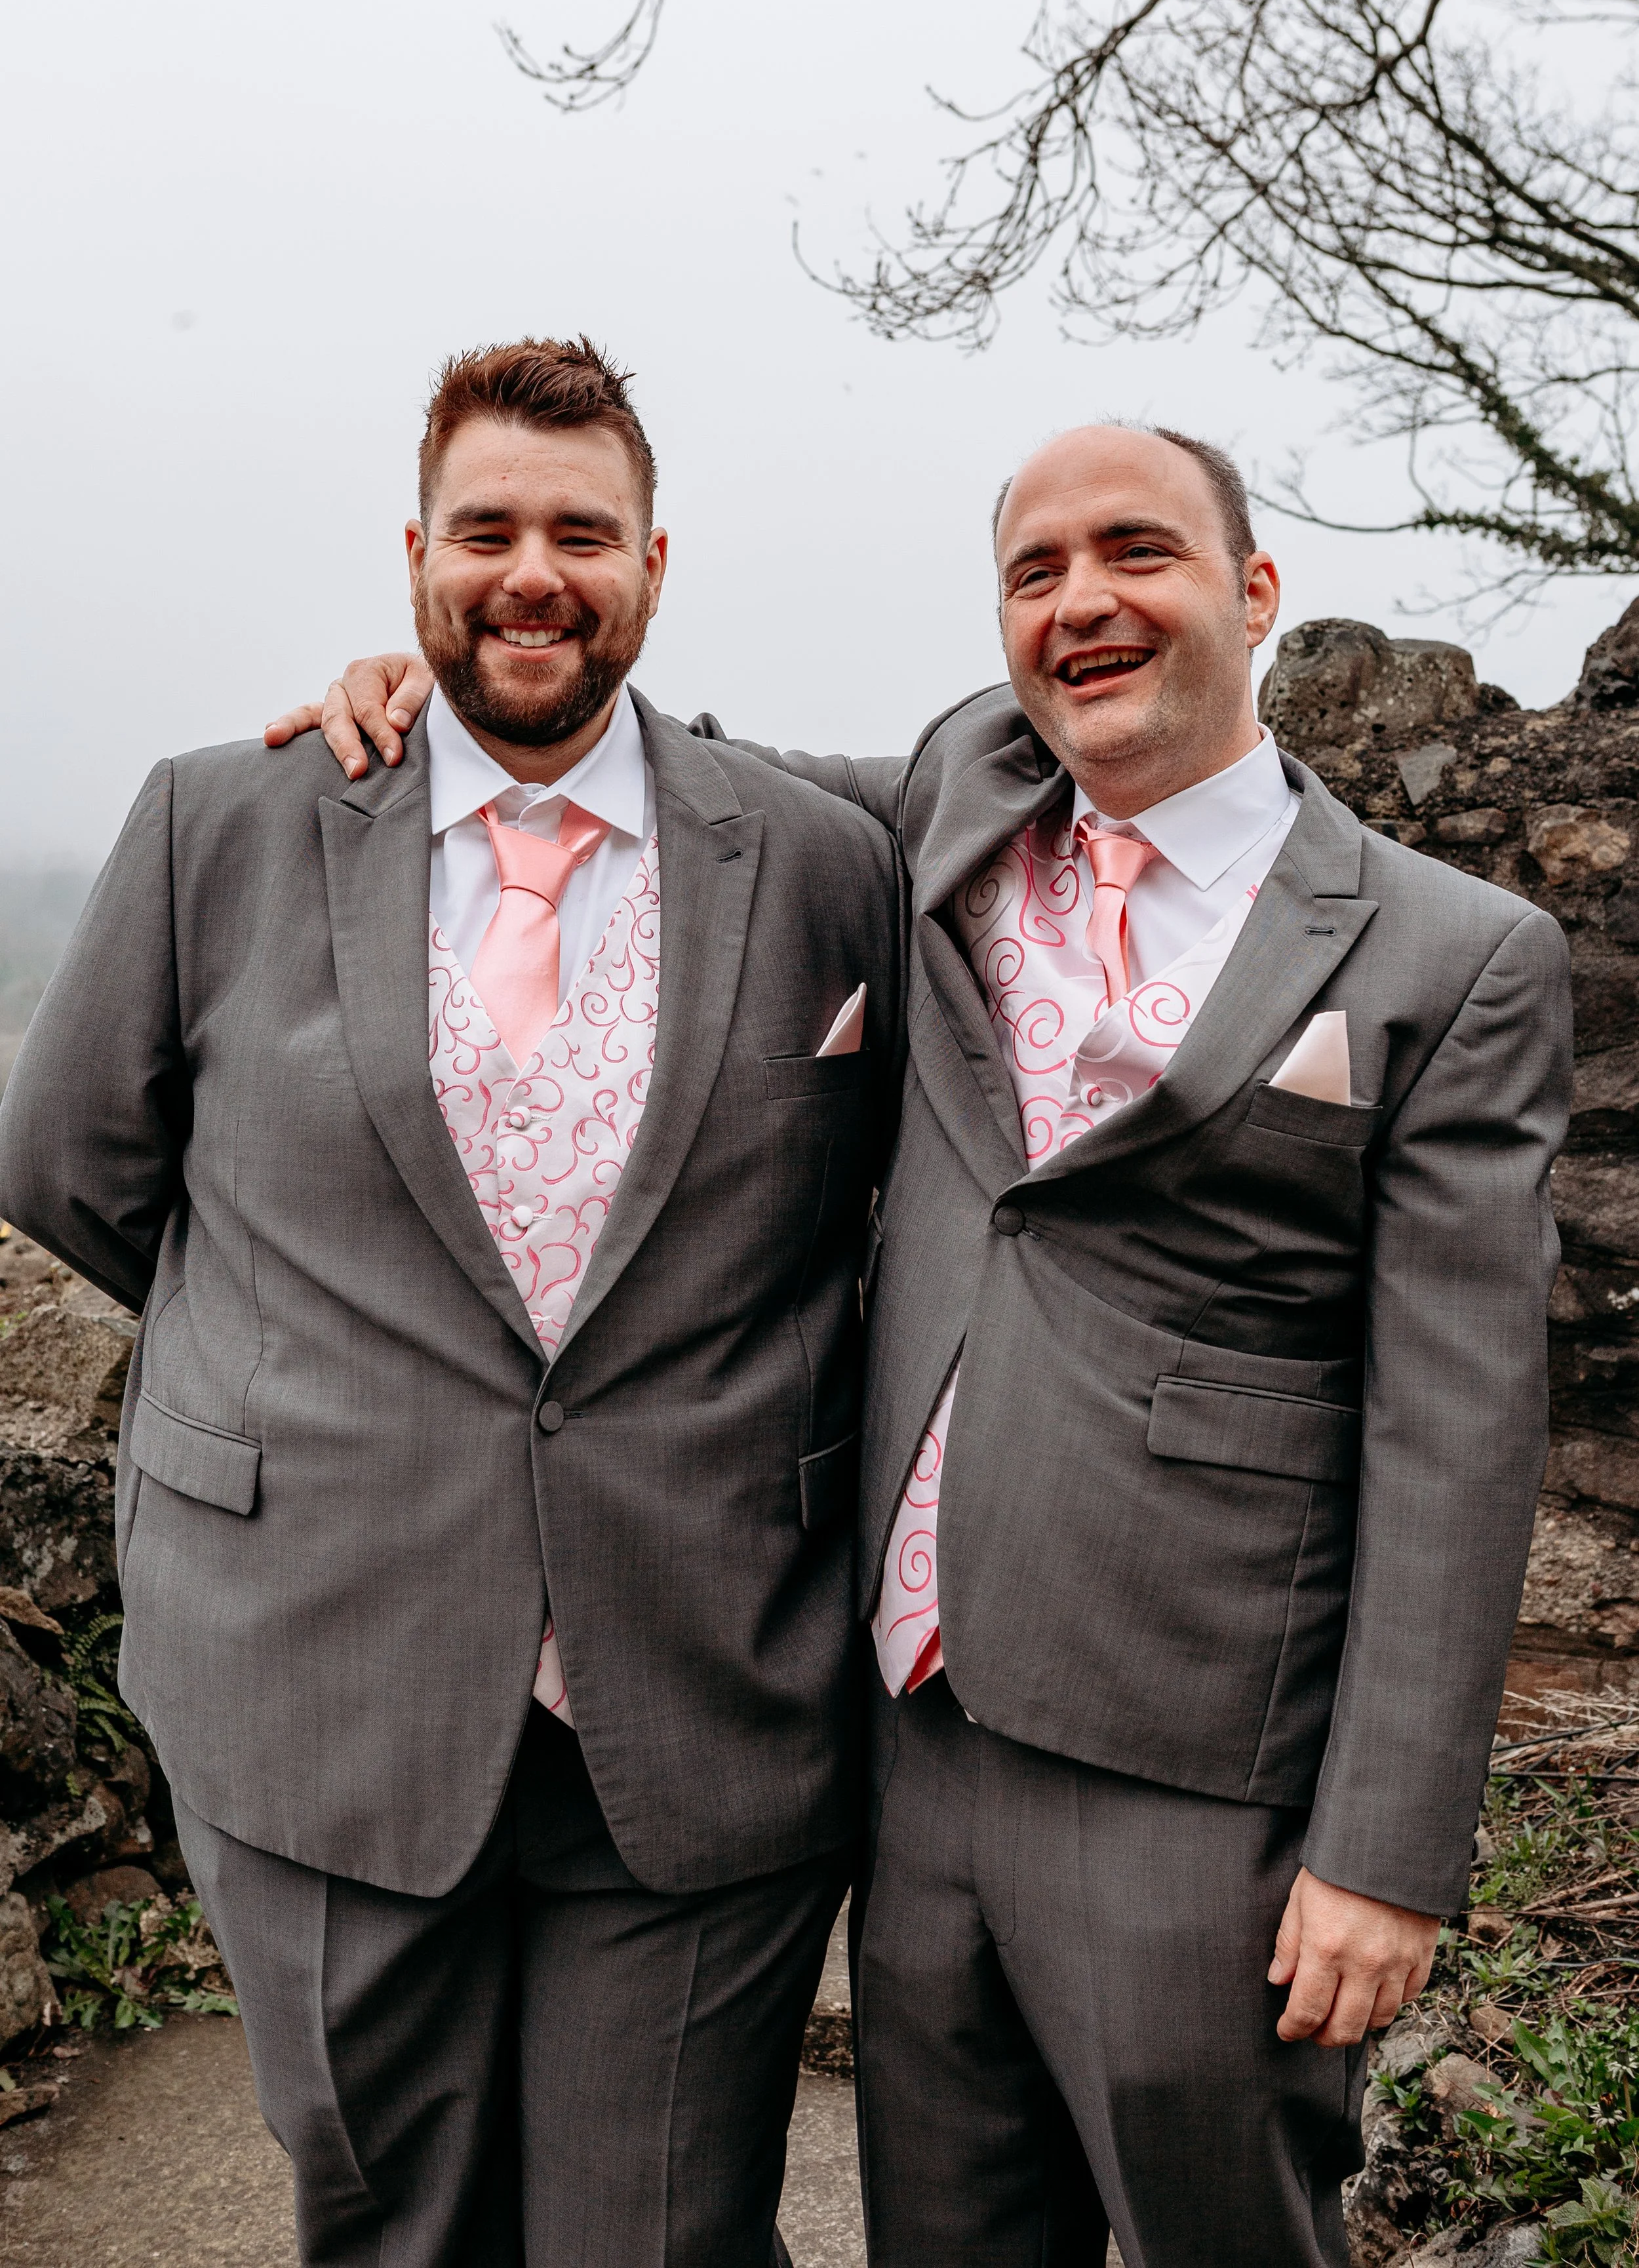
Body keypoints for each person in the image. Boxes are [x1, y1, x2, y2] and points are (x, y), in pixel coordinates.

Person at [277, 419, 1573, 2266]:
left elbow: (1458, 1435)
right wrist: (447, 685)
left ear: (1255, 593)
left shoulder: (1455, 954)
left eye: (1135, 552)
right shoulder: (942, 813)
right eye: (1032, 572)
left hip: (1195, 1757)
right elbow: (674, 773)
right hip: (908, 1735)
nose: (1080, 602)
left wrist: (1383, 1847)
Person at [0, 338, 905, 2268]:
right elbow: (69, 1166)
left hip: (699, 1673)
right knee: (386, 2226)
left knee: (658, 2237)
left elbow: (1035, 793)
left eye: (583, 530)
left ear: (657, 562)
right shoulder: (215, 827)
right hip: (315, 1661)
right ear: (415, 551)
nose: (532, 571)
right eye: (487, 526)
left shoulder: (824, 863)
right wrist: (303, 1367)